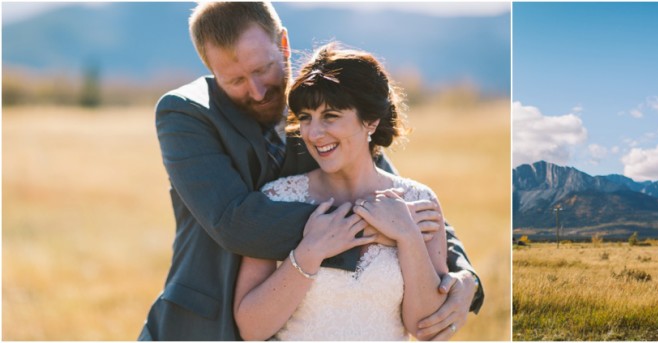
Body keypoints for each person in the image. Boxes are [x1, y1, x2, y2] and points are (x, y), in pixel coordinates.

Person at [139, 2, 482, 340]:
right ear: (211, 69)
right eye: (235, 80)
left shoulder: (316, 106)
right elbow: (232, 222)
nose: (257, 91)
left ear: (283, 45)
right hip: (202, 326)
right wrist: (374, 228)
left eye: (262, 70)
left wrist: (464, 277)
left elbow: (396, 197)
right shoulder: (185, 114)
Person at [233, 43, 450, 340]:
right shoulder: (276, 198)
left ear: (371, 120)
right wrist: (310, 251)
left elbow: (427, 328)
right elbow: (251, 329)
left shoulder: (419, 202)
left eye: (331, 115)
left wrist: (407, 236)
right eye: (306, 116)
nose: (313, 132)